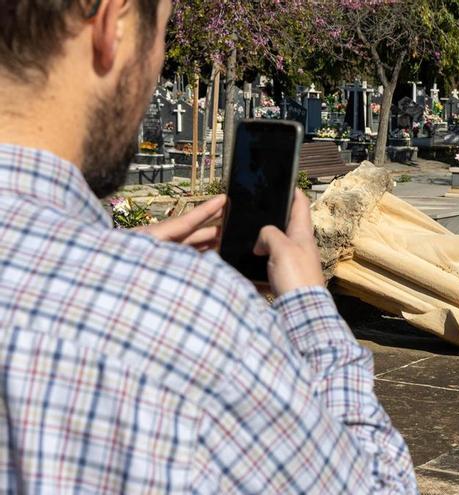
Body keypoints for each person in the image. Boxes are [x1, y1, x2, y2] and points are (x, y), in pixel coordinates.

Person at [0, 0, 416, 492]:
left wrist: (95, 258)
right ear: (112, 22)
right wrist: (311, 309)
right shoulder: (191, 324)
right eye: (161, 33)